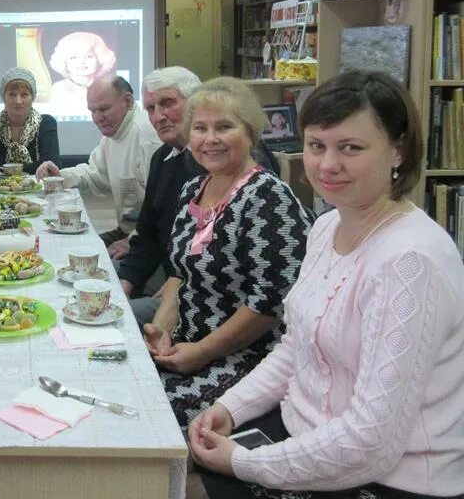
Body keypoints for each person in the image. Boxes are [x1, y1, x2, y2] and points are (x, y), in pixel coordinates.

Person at [188, 71, 464, 499]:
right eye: (317, 146)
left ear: (399, 150)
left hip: (389, 478)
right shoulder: (327, 226)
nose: (327, 164)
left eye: (350, 148)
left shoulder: (409, 262)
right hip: (310, 437)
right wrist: (230, 407)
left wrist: (244, 462)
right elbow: (298, 349)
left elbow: (370, 442)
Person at [141, 77, 310, 428]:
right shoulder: (193, 188)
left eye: (224, 127)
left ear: (250, 132)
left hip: (248, 359)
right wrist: (162, 331)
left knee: (147, 416)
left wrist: (200, 353)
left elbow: (269, 306)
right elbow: (179, 274)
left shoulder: (268, 198)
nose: (210, 139)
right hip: (188, 343)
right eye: (200, 128)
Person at [119, 68, 282, 325]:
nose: (158, 116)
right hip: (174, 278)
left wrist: (176, 286)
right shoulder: (165, 161)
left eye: (168, 103)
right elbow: (148, 236)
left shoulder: (242, 166)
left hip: (207, 298)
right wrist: (125, 286)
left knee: (114, 324)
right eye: (150, 108)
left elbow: (263, 291)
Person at [36, 75, 162, 249]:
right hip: (128, 231)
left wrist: (132, 240)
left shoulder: (147, 139)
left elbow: (162, 209)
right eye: (92, 111)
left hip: (150, 238)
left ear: (128, 101)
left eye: (104, 109)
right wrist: (60, 176)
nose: (97, 118)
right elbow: (95, 175)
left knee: (79, 258)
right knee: (67, 247)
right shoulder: (115, 134)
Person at [0, 67, 59, 175]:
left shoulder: (46, 123)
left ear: (33, 97)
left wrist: (4, 170)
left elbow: (52, 165)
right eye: (12, 94)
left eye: (24, 95)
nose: (18, 101)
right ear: (3, 97)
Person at [47, 31, 117, 115]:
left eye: (89, 56)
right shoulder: (58, 88)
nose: (81, 62)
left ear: (100, 60)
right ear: (64, 61)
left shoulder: (109, 88)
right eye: (74, 57)